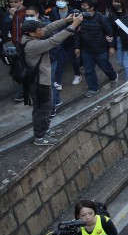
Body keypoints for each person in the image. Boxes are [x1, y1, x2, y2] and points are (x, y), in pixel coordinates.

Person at [21, 14, 83, 145]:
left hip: (41, 80)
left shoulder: (30, 36)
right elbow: (53, 41)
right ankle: (40, 136)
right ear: (31, 33)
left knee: (46, 106)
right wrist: (73, 26)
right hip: (38, 82)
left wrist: (65, 20)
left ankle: (45, 129)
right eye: (39, 30)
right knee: (42, 109)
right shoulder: (32, 45)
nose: (42, 30)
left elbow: (48, 28)